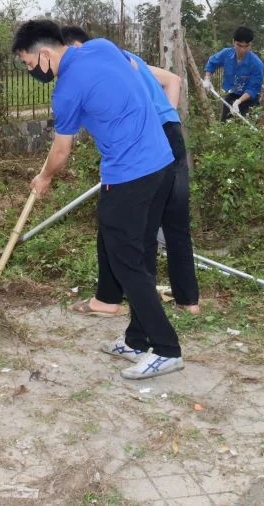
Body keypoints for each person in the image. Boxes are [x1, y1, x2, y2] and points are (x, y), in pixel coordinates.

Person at [12, 19, 182, 380]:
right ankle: (137, 339)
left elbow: (61, 151)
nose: (31, 71)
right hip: (162, 164)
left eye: (29, 64)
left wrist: (43, 177)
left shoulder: (67, 89)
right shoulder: (103, 47)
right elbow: (133, 72)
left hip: (130, 175)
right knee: (140, 253)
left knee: (125, 262)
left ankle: (166, 349)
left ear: (44, 54)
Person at [59, 26, 198, 316]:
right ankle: (188, 301)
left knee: (131, 228)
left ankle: (122, 302)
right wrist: (165, 116)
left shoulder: (95, 67)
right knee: (175, 223)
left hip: (142, 144)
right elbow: (174, 80)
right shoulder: (125, 57)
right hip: (168, 135)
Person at [202, 27, 264, 122]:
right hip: (231, 95)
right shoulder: (226, 54)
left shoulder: (257, 64)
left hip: (249, 99)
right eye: (239, 45)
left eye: (246, 46)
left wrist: (239, 102)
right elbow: (212, 62)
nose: (242, 50)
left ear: (251, 44)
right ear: (233, 42)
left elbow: (253, 88)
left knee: (247, 130)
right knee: (225, 125)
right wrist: (207, 78)